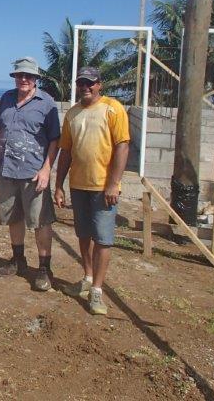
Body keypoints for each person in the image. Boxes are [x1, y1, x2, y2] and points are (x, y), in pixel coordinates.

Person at [54, 66, 129, 316]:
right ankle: (87, 277)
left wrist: (113, 183)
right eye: (81, 83)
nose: (85, 87)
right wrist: (59, 185)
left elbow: (122, 146)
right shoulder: (72, 114)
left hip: (103, 188)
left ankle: (97, 289)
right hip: (78, 186)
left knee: (103, 239)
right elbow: (66, 152)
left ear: (99, 85)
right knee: (83, 235)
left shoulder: (112, 109)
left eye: (90, 83)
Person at [0, 57, 60, 291]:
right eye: (20, 75)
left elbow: (55, 139)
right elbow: (0, 133)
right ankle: (18, 259)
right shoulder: (6, 99)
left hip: (33, 173)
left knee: (40, 221)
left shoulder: (47, 103)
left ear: (35, 79)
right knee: (13, 217)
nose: (23, 79)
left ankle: (44, 268)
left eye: (28, 76)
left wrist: (46, 169)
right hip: (7, 169)